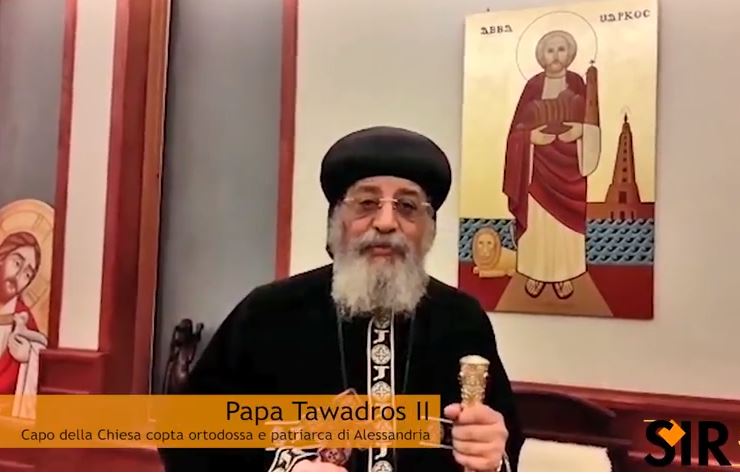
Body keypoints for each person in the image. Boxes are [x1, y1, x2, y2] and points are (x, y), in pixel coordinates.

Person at [159, 126, 524, 471]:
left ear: (427, 230)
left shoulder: (462, 320)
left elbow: (501, 445)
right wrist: (284, 467)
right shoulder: (267, 313)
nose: (386, 222)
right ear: (337, 220)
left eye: (407, 207)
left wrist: (493, 456)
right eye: (366, 203)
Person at [503, 30, 601, 300]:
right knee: (539, 223)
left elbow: (591, 120)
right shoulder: (533, 87)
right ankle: (535, 272)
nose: (556, 56)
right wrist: (530, 137)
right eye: (550, 50)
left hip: (570, 167)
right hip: (536, 168)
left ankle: (564, 274)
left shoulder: (578, 83)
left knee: (564, 228)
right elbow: (515, 132)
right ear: (541, 55)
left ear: (570, 54)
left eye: (561, 49)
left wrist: (580, 131)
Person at [0, 231, 48, 418]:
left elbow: (42, 351)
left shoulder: (24, 321)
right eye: (17, 263)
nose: (18, 276)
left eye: (27, 274)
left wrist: (29, 356)